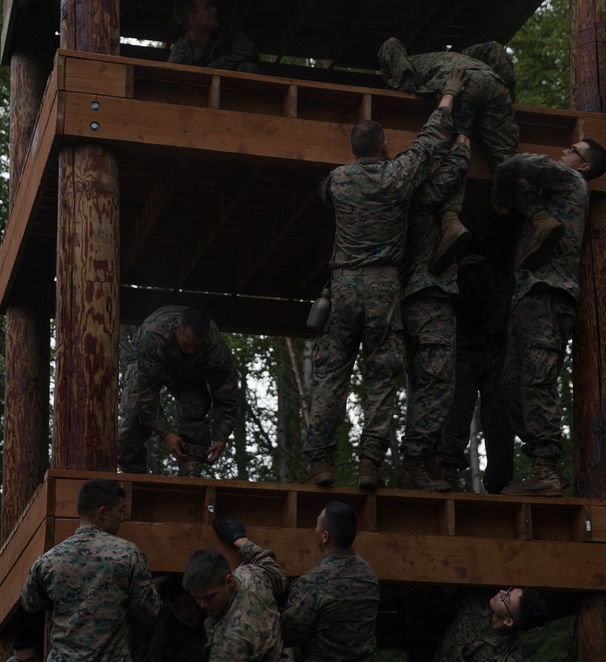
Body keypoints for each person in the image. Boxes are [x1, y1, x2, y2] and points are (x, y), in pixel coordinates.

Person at [302, 67, 470, 489]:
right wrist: (448, 95)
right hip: (382, 288)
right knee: (380, 376)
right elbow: (430, 143)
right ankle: (369, 465)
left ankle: (320, 463)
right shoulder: (398, 176)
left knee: (330, 376)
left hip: (341, 286)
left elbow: (321, 190)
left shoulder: (338, 181)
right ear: (384, 145)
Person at [493, 141, 606, 496]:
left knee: (537, 381)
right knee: (510, 388)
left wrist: (500, 182)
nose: (564, 152)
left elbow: (523, 162)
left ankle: (546, 469)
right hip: (529, 296)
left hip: (549, 295)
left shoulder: (573, 182)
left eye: (572, 149)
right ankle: (542, 461)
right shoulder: (556, 193)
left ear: (584, 166)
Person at [378, 38, 522, 269]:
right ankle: (539, 215)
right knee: (504, 158)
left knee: (450, 150)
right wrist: (509, 96)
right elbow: (495, 47)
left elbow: (391, 44)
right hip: (495, 85)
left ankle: (451, 220)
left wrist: (401, 85)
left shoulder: (409, 64)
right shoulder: (465, 55)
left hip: (462, 86)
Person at [398, 108, 474, 491]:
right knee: (438, 382)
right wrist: (462, 136)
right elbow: (446, 177)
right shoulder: (416, 194)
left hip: (406, 298)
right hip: (428, 295)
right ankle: (414, 464)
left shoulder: (391, 189)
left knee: (420, 380)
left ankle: (414, 464)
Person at [21, 479, 161, 661]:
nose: (122, 517)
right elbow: (148, 612)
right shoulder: (128, 555)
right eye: (120, 510)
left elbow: (29, 603)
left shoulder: (48, 561)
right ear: (103, 512)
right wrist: (154, 587)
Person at [436, 218, 518, 494]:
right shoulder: (452, 260)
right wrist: (456, 272)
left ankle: (499, 482)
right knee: (456, 411)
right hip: (466, 348)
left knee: (499, 416)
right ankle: (448, 471)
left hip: (497, 346)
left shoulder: (501, 247)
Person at [118, 305, 238, 477]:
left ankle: (192, 468)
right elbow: (145, 393)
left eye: (197, 346)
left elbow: (226, 394)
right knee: (133, 415)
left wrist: (222, 436)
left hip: (189, 371)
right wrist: (165, 433)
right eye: (187, 344)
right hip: (146, 364)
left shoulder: (215, 346)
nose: (191, 350)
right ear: (176, 329)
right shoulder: (155, 335)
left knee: (195, 407)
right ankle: (132, 476)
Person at [281, 502, 380, 660]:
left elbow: (288, 634)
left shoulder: (311, 582)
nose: (315, 529)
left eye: (317, 524)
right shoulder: (369, 575)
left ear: (325, 536)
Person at [184, 519, 289, 661]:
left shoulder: (230, 642)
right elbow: (276, 574)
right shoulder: (252, 576)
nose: (203, 605)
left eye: (209, 597)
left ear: (229, 581)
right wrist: (240, 540)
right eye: (197, 598)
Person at [431, 587, 548, 662]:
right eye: (509, 590)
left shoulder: (511, 657)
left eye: (506, 598)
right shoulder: (476, 601)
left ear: (508, 621)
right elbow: (441, 607)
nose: (502, 592)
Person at [169, 0, 260, 73]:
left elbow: (250, 51)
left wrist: (212, 69)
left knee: (248, 68)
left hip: (233, 89)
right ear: (194, 19)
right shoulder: (180, 54)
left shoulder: (227, 31)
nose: (215, 10)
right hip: (201, 92)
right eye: (207, 8)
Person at [132, 574, 208, 662]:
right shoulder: (165, 629)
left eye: (189, 604)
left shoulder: (213, 621)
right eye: (177, 609)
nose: (185, 614)